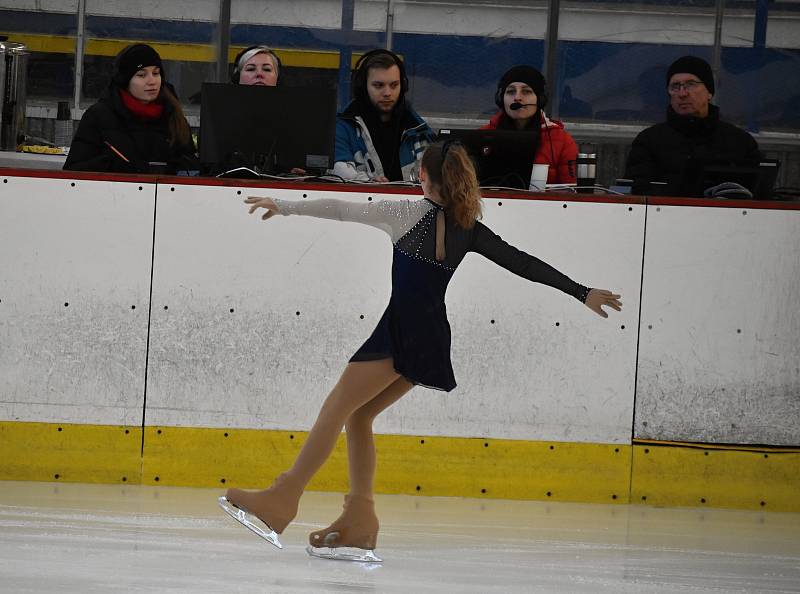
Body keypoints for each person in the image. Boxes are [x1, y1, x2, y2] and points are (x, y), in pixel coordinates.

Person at [218, 140, 622, 562]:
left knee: (336, 408)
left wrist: (283, 205)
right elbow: (522, 262)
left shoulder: (406, 213)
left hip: (401, 333)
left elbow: (342, 210)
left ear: (422, 177)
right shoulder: (470, 228)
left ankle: (282, 498)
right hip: (430, 335)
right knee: (359, 416)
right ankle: (360, 519)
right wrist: (581, 292)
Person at [624, 55, 761, 195]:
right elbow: (636, 194)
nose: (682, 93)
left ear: (709, 92)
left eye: (691, 84)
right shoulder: (649, 141)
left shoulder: (740, 142)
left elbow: (758, 193)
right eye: (675, 86)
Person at [64, 44, 197, 174]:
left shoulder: (173, 115)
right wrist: (112, 166)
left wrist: (177, 167)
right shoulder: (99, 116)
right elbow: (73, 172)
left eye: (156, 73)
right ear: (125, 80)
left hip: (167, 194)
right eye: (141, 75)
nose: (152, 81)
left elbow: (191, 167)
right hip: (112, 194)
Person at [333, 49, 435, 182]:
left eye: (394, 85)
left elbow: (434, 180)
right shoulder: (344, 127)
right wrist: (368, 183)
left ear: (403, 86)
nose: (387, 92)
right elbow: (339, 171)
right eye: (378, 85)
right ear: (363, 87)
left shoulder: (418, 130)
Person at [482, 65, 578, 185]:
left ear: (540, 99)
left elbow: (570, 193)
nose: (517, 98)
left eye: (526, 91)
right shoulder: (483, 136)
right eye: (511, 91)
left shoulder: (562, 141)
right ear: (501, 99)